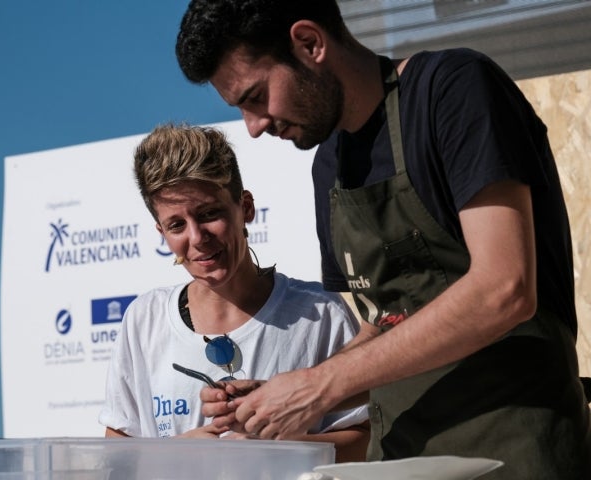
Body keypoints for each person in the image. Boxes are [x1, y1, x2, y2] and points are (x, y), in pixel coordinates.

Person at [175, 0, 591, 477]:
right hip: (400, 463)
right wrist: (281, 395)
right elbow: (388, 324)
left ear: (309, 43)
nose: (254, 126)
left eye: (256, 96)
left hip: (515, 454)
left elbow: (504, 289)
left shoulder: (453, 91)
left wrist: (320, 386)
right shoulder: (329, 167)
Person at [97, 123, 369, 462]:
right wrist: (177, 453)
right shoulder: (144, 319)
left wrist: (275, 449)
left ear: (246, 208)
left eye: (209, 214)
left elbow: (364, 441)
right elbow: (115, 455)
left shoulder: (321, 314)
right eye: (177, 225)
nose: (197, 238)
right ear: (162, 232)